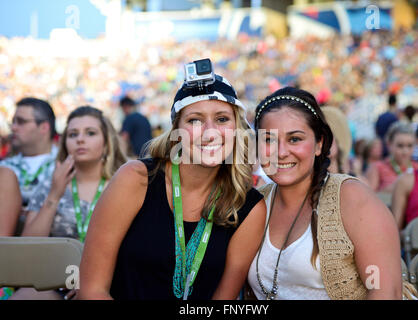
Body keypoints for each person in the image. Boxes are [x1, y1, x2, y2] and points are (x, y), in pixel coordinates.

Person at [77, 66, 266, 300]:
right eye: (195, 120)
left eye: (222, 119)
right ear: (176, 130)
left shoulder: (249, 206)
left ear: (237, 128)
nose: (210, 133)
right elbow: (92, 290)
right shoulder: (135, 179)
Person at [247, 87, 402, 300]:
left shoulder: (352, 197)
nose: (281, 153)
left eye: (294, 139)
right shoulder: (256, 202)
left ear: (319, 144)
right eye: (269, 140)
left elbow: (386, 291)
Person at [10, 106, 127, 300]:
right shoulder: (50, 182)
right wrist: (54, 194)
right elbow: (28, 247)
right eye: (73, 134)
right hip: (57, 283)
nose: (80, 139)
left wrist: (91, 282)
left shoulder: (123, 184)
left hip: (110, 281)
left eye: (90, 133)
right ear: (65, 144)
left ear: (107, 144)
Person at [0, 98, 58, 220]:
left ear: (44, 127)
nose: (14, 128)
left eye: (21, 122)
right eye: (13, 122)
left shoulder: (66, 165)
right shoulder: (4, 167)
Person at [365, 121, 418, 194]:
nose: (405, 151)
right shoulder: (377, 168)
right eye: (400, 146)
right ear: (389, 144)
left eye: (410, 146)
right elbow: (369, 198)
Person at [375, 93, 399, 158]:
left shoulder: (381, 116)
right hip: (389, 148)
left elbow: (376, 131)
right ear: (395, 103)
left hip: (380, 147)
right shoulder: (394, 117)